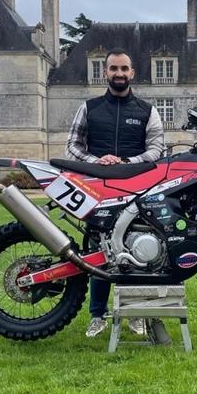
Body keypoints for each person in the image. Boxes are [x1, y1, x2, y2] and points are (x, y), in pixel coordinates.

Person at [66, 48, 165, 338]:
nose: (119, 74)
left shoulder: (148, 111)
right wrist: (97, 162)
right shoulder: (89, 107)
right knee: (99, 251)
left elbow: (157, 150)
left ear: (132, 73)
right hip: (98, 189)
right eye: (113, 69)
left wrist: (126, 164)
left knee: (136, 249)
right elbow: (72, 145)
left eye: (124, 68)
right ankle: (98, 314)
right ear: (104, 73)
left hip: (137, 189)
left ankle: (135, 314)